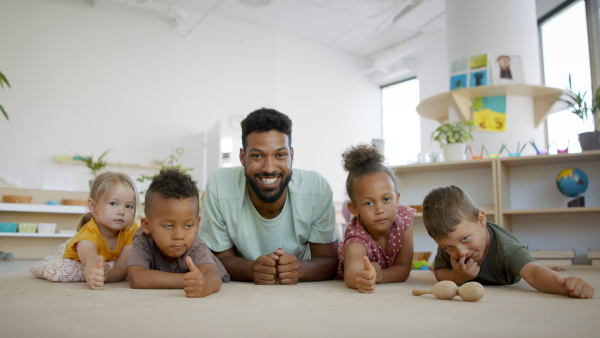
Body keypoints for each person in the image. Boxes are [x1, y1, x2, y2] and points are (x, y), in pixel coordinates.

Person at [199, 108, 338, 285]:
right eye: (257, 156)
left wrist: (300, 270)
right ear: (242, 157)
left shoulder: (315, 187)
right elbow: (219, 259)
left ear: (292, 156)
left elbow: (329, 260)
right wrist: (250, 269)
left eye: (280, 155)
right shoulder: (219, 185)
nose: (269, 168)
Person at [422, 185, 594, 299]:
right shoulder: (449, 243)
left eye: (465, 239)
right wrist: (457, 276)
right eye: (448, 247)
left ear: (481, 219)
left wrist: (564, 285)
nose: (461, 252)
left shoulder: (506, 247)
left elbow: (533, 272)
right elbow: (440, 271)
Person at [127, 169, 229, 298]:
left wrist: (205, 284)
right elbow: (137, 278)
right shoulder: (143, 239)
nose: (179, 236)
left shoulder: (195, 246)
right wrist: (189, 280)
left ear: (197, 225)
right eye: (168, 226)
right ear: (146, 226)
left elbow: (213, 277)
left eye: (188, 225)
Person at [30, 172, 139, 289]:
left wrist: (105, 276)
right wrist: (93, 274)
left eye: (129, 206)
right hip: (73, 258)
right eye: (113, 203)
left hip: (106, 262)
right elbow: (91, 259)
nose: (121, 212)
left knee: (130, 268)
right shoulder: (89, 233)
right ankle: (44, 264)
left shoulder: (131, 230)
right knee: (58, 268)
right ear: (92, 206)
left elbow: (122, 269)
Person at [337, 143, 414, 293]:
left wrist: (380, 276)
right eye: (369, 203)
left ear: (397, 199)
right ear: (354, 209)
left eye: (386, 199)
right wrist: (362, 276)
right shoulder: (357, 237)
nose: (379, 210)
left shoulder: (404, 218)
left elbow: (404, 269)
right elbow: (352, 272)